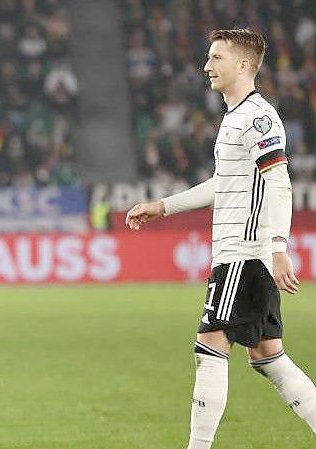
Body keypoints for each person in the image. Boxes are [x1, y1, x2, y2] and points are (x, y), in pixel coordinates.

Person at [126, 29, 316, 449]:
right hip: (246, 254)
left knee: (209, 344)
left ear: (243, 65)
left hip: (243, 254)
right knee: (268, 356)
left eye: (216, 58)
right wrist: (164, 206)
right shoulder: (235, 117)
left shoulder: (258, 118)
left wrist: (279, 248)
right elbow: (224, 184)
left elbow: (279, 182)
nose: (207, 66)